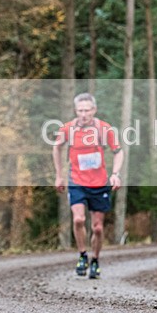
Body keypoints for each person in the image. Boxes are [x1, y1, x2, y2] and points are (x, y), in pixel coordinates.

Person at [53, 93, 123, 280]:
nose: (84, 114)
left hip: (99, 183)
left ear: (94, 110)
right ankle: (83, 255)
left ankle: (96, 260)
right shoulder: (68, 129)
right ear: (76, 111)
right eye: (80, 110)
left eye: (87, 110)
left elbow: (118, 151)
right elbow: (57, 147)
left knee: (98, 227)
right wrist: (59, 176)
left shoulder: (103, 129)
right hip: (76, 181)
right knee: (78, 220)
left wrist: (115, 174)